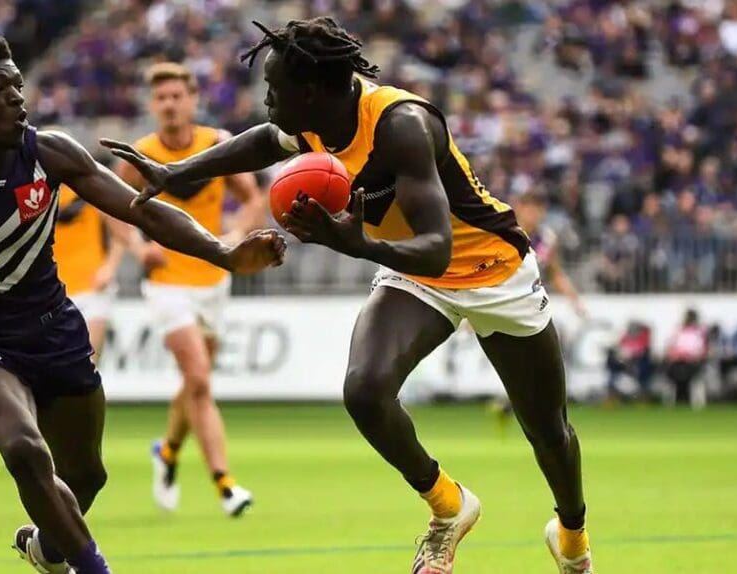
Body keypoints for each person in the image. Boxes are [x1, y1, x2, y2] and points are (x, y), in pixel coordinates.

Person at [103, 18, 593, 574]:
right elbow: (267, 141)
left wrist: (355, 244)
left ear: (310, 93)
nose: (265, 101)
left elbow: (436, 248)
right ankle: (449, 508)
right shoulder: (315, 118)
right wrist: (177, 171)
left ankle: (572, 535)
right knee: (365, 391)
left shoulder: (401, 124)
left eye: (273, 91)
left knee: (547, 429)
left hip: (491, 271)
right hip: (414, 277)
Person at [0, 34, 285, 574]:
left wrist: (222, 251)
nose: (17, 98)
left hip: (54, 333)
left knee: (86, 476)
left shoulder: (50, 152)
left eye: (18, 86)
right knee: (25, 448)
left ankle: (47, 550)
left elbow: (143, 211)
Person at [113, 62, 267, 517]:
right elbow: (110, 208)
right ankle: (226, 484)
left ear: (192, 99)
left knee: (193, 384)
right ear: (152, 105)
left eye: (177, 96)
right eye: (161, 98)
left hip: (213, 279)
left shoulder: (216, 144)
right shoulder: (139, 154)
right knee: (199, 378)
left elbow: (253, 197)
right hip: (166, 284)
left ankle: (167, 453)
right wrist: (137, 248)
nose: (169, 104)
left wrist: (237, 233)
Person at [52, 183, 127, 360]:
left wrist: (109, 267)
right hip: (52, 291)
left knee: (87, 361)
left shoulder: (89, 187)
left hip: (92, 287)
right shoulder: (35, 191)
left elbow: (121, 233)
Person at [513, 191, 586, 317]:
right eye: (529, 208)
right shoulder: (506, 236)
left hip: (531, 303)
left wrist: (576, 303)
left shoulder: (547, 239)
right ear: (519, 208)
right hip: (504, 299)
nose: (533, 213)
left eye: (537, 208)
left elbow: (555, 274)